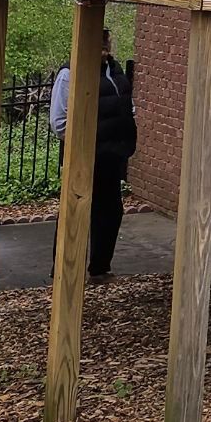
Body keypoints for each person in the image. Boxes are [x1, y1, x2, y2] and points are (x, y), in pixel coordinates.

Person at [49, 26, 139, 280]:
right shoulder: (70, 73)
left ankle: (100, 269)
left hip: (112, 156)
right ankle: (65, 270)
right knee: (75, 210)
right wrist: (84, 142)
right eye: (98, 43)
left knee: (110, 212)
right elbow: (59, 122)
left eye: (105, 42)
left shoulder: (115, 71)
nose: (104, 48)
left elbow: (125, 104)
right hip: (83, 157)